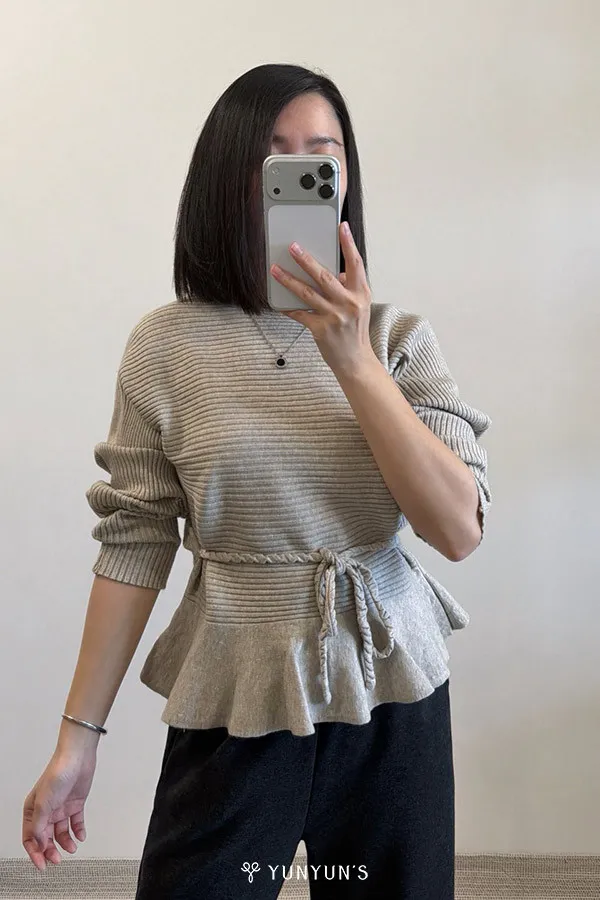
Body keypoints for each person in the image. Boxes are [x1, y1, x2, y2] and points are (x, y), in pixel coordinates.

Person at [21, 63, 492, 898]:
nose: (302, 175)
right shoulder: (165, 347)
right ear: (229, 178)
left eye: (323, 156)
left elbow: (457, 530)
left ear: (344, 182)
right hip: (235, 687)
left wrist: (353, 360)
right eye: (275, 157)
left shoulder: (398, 339)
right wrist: (77, 739)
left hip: (391, 693)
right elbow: (133, 541)